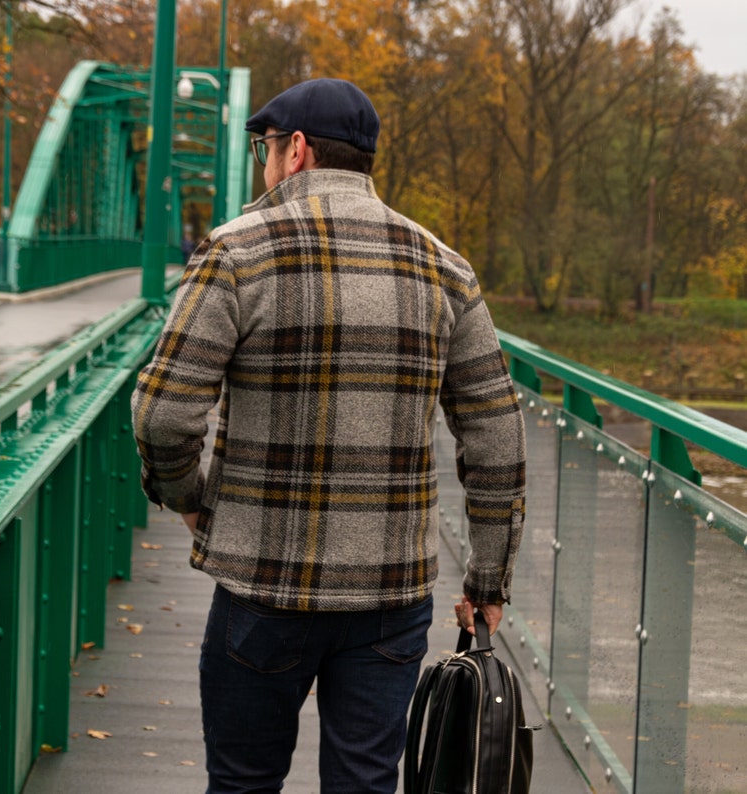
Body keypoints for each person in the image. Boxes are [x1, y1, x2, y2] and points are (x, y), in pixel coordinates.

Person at [131, 77, 526, 794]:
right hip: (390, 596)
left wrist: (188, 498)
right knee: (365, 784)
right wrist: (488, 580)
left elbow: (162, 412)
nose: (263, 163)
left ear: (296, 152)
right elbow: (496, 440)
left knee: (244, 782)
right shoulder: (445, 267)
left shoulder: (235, 252)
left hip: (261, 590)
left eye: (265, 148)